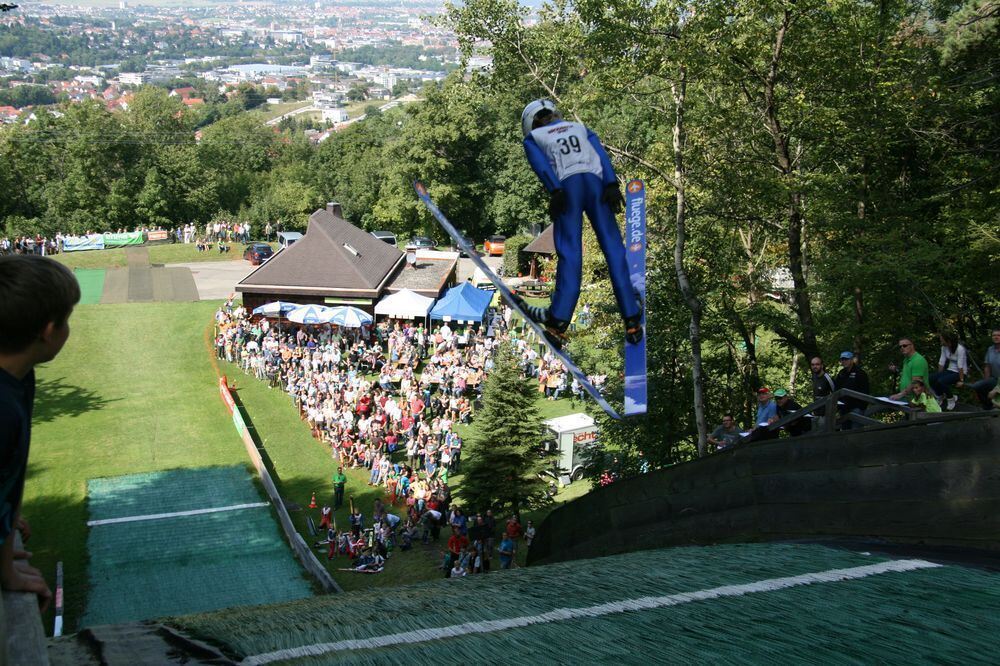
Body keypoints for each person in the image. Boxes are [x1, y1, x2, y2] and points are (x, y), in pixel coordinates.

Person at [519, 99, 642, 347]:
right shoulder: (580, 127)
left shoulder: (533, 138)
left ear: (532, 122)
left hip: (567, 188)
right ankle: (631, 317)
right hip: (597, 185)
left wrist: (555, 190)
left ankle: (558, 322)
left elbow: (541, 165)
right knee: (613, 248)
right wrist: (611, 184)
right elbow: (601, 154)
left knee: (571, 253)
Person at [1, 255, 80, 614]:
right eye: (67, 320)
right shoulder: (4, 411)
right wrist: (6, 572)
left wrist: (8, 522)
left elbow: (8, 478)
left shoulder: (20, 375)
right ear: (49, 332)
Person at [930, 332, 968, 411]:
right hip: (950, 370)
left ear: (949, 341)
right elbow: (941, 362)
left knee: (942, 381)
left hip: (960, 373)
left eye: (942, 340)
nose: (941, 342)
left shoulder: (960, 349)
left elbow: (960, 365)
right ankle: (940, 396)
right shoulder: (944, 348)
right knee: (931, 378)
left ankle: (951, 399)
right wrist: (939, 374)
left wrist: (961, 380)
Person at [834, 351, 870, 428]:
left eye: (846, 359)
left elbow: (865, 391)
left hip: (857, 408)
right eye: (842, 359)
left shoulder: (860, 373)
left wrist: (861, 407)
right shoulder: (841, 373)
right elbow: (836, 390)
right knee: (845, 432)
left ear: (852, 360)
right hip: (844, 409)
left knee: (856, 432)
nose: (844, 361)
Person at [969, 328, 1000, 410]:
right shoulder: (990, 349)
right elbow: (987, 366)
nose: (996, 337)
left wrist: (997, 389)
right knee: (977, 386)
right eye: (994, 335)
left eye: (998, 335)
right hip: (994, 379)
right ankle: (989, 407)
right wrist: (986, 381)